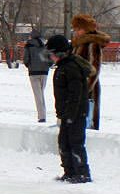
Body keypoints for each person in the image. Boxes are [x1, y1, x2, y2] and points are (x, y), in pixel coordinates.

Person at [47, 34, 93, 183]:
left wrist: (71, 115)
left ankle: (82, 173)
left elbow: (76, 94)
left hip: (76, 113)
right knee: (63, 142)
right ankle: (69, 171)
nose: (50, 57)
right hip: (66, 113)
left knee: (75, 142)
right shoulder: (62, 67)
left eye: (51, 54)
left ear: (59, 53)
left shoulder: (71, 68)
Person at [71, 13, 109, 130]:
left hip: (88, 88)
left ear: (85, 29)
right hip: (78, 85)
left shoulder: (92, 44)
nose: (76, 31)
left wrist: (86, 88)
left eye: (78, 29)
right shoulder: (79, 43)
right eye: (75, 29)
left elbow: (94, 69)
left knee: (88, 121)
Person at [22, 28, 52, 123]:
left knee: (38, 95)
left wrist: (29, 65)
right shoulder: (45, 45)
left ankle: (42, 116)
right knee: (41, 93)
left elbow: (26, 59)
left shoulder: (29, 45)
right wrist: (46, 66)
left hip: (33, 72)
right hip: (44, 72)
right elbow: (50, 59)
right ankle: (43, 114)